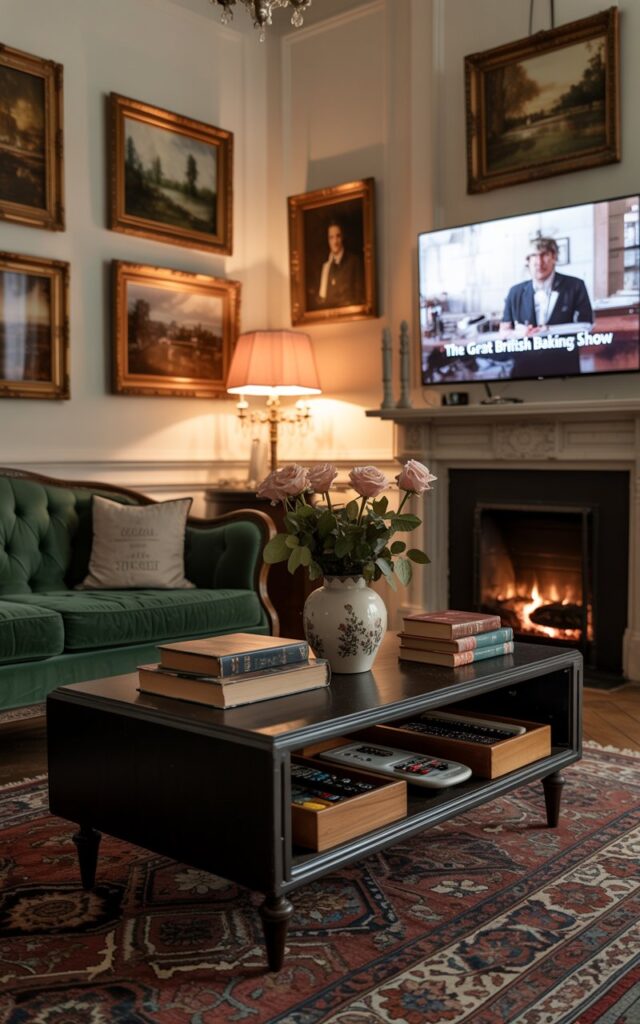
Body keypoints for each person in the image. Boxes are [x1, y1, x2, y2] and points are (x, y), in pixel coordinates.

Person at [499, 237, 594, 378]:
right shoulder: (515, 292)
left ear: (554, 257)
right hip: (524, 370)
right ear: (528, 261)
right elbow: (504, 331)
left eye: (544, 255)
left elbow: (586, 326)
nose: (539, 262)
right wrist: (520, 333)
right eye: (533, 256)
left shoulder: (575, 286)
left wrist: (549, 330)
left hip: (564, 369)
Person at [316, 219, 364, 308]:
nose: (335, 242)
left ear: (342, 237)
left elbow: (359, 298)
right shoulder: (326, 267)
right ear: (328, 240)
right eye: (331, 237)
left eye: (338, 236)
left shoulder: (354, 261)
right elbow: (322, 299)